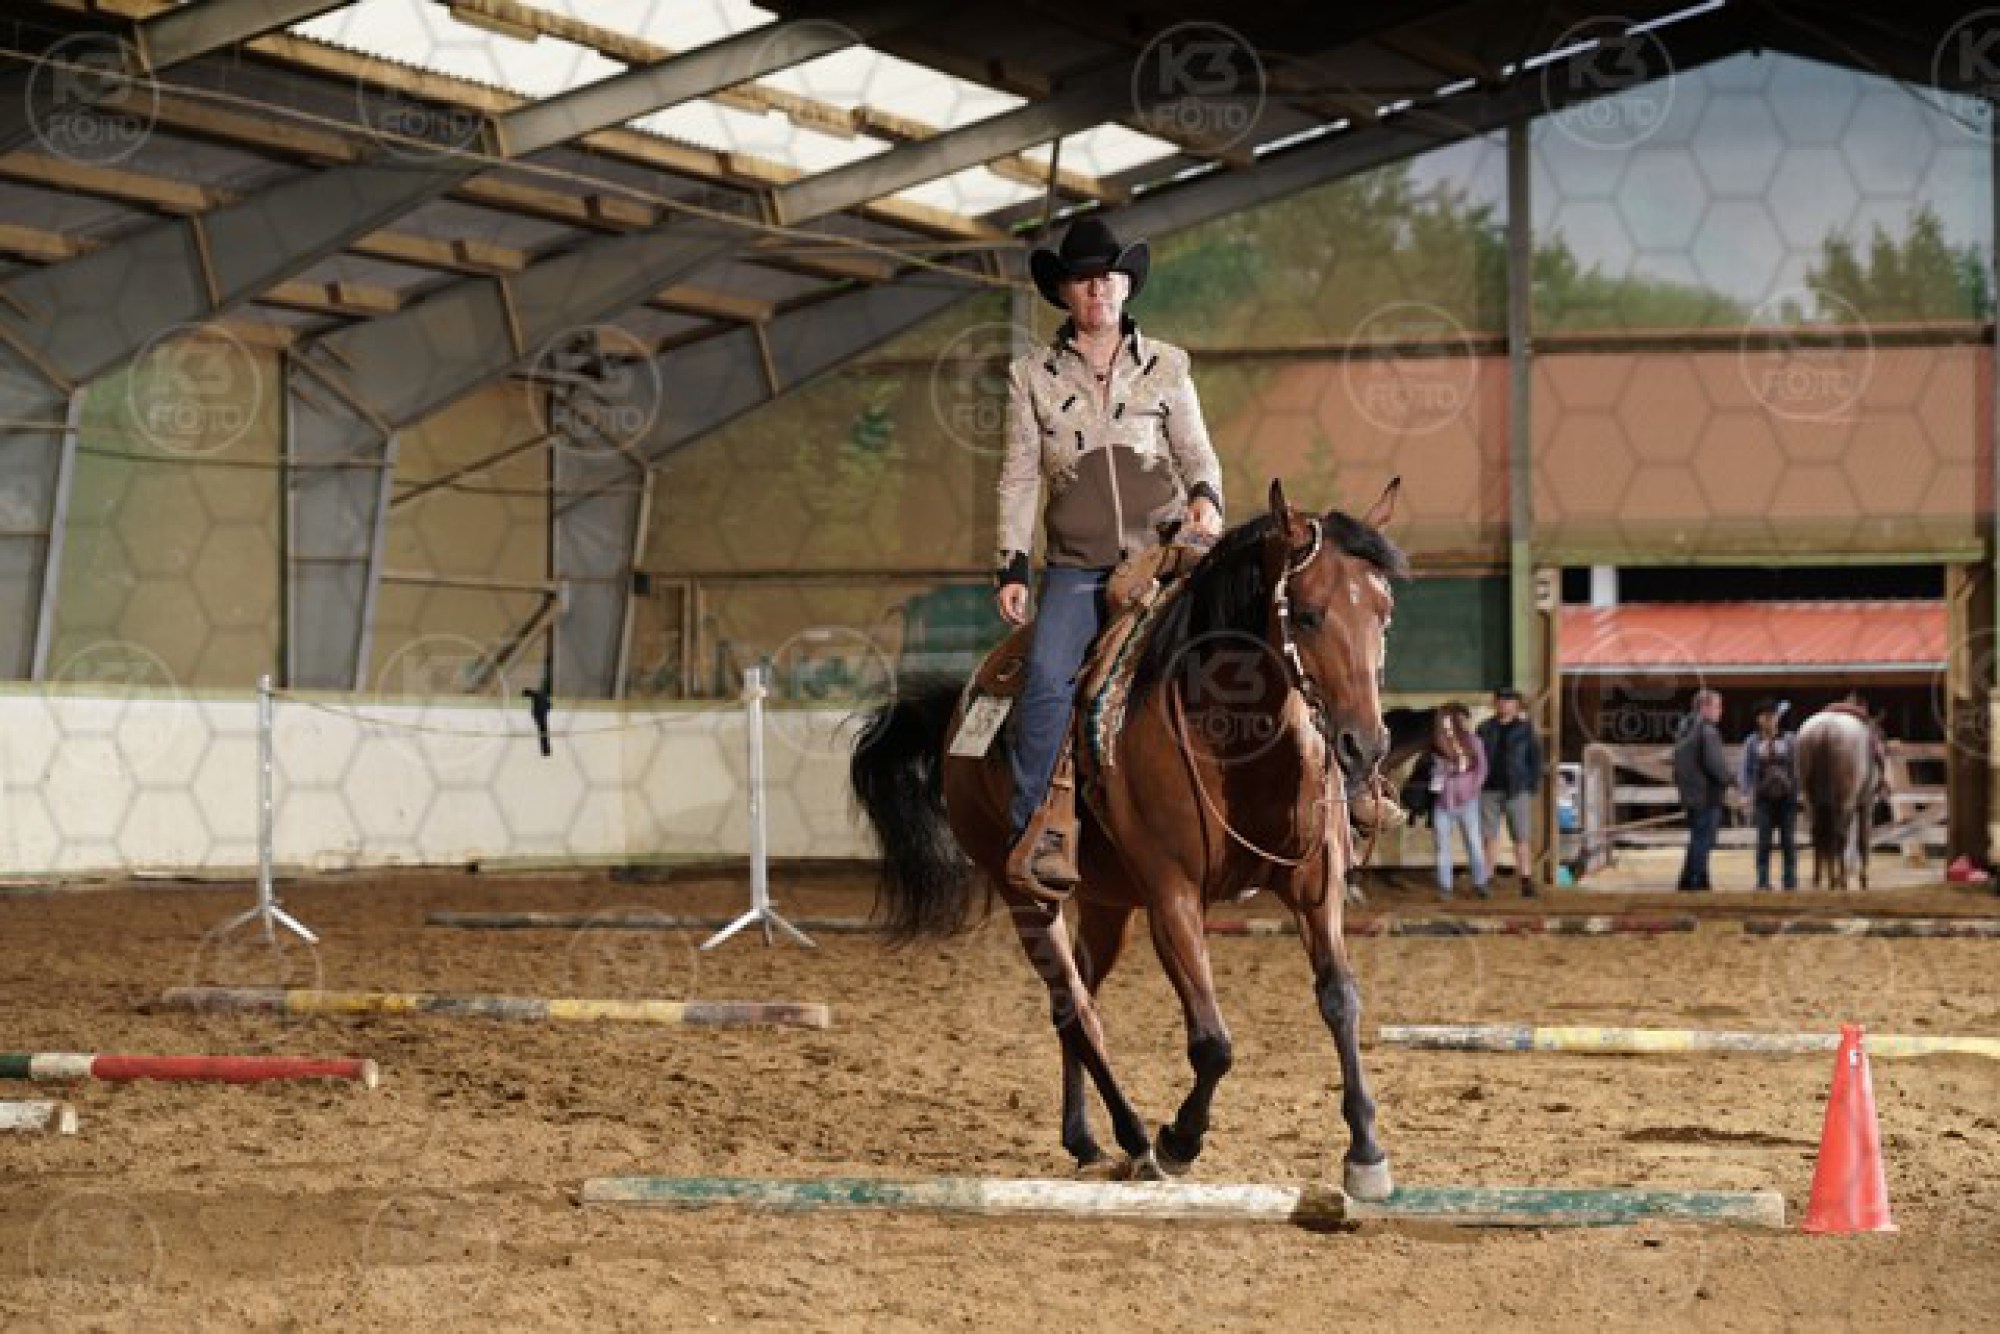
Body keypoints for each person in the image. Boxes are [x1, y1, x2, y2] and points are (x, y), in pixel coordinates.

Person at [994, 216, 1225, 887]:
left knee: (1250, 651)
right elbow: (1018, 476)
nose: (1097, 289)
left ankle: (1333, 792)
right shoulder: (1030, 376)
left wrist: (1206, 498)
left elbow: (1197, 453)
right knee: (1046, 679)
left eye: (1107, 277)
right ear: (1064, 292)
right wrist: (1012, 564)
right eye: (1083, 279)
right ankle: (1037, 828)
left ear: (1126, 286)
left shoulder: (1169, 366)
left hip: (1166, 556)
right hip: (1078, 568)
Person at [1476, 686, 1544, 898]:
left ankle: (1526, 880)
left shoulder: (1525, 729)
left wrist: (1531, 785)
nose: (1504, 704)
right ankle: (1486, 880)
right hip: (1488, 789)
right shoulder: (1483, 728)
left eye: (1509, 701)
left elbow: (1535, 759)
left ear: (1516, 705)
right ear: (1494, 703)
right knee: (1489, 837)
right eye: (1501, 700)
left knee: (1521, 837)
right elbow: (1475, 758)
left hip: (1517, 789)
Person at [1672, 688, 1732, 891]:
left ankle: (1690, 880)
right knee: (1703, 841)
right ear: (1704, 708)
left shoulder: (1684, 729)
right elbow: (1715, 765)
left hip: (1691, 795)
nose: (1721, 711)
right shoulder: (1707, 731)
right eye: (1717, 706)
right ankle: (1696, 881)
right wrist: (1730, 780)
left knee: (1697, 838)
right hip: (1707, 795)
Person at [1429, 702, 1490, 900]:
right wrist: (1440, 773)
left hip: (1467, 801)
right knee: (1442, 845)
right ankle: (1445, 886)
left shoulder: (1474, 742)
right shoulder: (1438, 745)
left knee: (1474, 843)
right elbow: (1433, 772)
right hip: (1443, 802)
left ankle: (1480, 882)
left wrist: (1472, 789)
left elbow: (1482, 769)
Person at [1739, 698, 1798, 891]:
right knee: (1763, 841)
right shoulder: (1752, 742)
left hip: (1787, 798)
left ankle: (1790, 881)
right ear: (1759, 720)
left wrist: (1799, 792)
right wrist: (1745, 793)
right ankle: (1763, 880)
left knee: (1788, 841)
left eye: (1773, 716)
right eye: (1766, 717)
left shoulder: (1790, 740)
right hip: (1763, 799)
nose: (1770, 720)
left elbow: (1797, 768)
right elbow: (1745, 770)